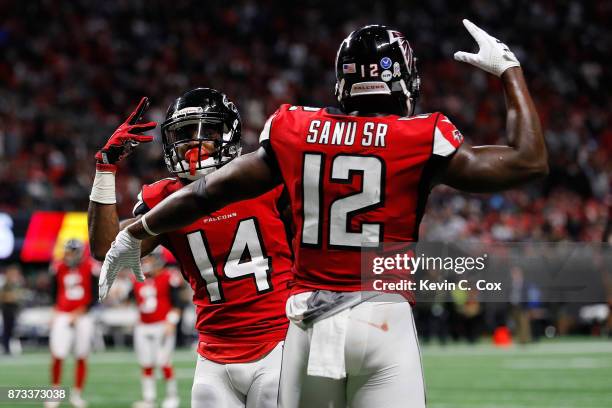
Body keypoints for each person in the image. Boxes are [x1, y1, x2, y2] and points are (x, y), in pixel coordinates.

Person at [100, 20, 548, 408]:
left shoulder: (296, 128)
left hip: (308, 320)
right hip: (381, 313)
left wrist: (136, 231)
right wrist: (509, 70)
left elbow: (205, 192)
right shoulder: (421, 135)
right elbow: (529, 160)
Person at [88, 89, 294, 408]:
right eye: (183, 134)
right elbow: (105, 246)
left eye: (207, 132)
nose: (193, 143)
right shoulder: (165, 199)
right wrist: (105, 168)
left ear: (230, 134)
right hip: (212, 354)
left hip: (278, 344)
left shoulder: (262, 180)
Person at [46, 239, 98, 408]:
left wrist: (80, 312)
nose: (69, 255)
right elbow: (54, 293)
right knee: (58, 354)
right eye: (67, 251)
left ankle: (77, 394)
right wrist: (55, 311)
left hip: (83, 316)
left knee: (81, 355)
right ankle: (55, 393)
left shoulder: (90, 267)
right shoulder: (58, 267)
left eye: (71, 252)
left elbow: (96, 296)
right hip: (63, 314)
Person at [131, 249, 182, 408]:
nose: (146, 263)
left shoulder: (169, 277)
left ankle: (172, 396)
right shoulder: (137, 279)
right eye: (145, 260)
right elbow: (131, 300)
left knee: (164, 361)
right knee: (146, 363)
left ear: (158, 260)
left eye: (150, 259)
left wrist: (171, 322)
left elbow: (178, 304)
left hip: (162, 325)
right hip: (143, 326)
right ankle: (149, 399)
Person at [0, 264, 25, 355]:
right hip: (7, 309)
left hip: (14, 309)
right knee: (7, 329)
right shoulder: (6, 284)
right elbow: (2, 296)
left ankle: (10, 347)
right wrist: (12, 297)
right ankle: (6, 348)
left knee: (12, 329)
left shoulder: (16, 283)